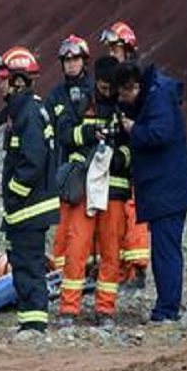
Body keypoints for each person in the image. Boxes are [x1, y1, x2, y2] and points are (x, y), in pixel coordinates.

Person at [113, 59, 187, 323]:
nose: (122, 99)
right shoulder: (153, 94)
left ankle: (167, 310)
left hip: (167, 191)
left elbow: (159, 133)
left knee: (166, 252)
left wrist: (133, 128)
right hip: (164, 189)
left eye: (123, 93)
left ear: (133, 87)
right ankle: (166, 306)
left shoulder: (158, 96)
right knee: (165, 251)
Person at [56, 54, 131, 325]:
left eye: (111, 87)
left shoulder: (125, 106)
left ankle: (105, 310)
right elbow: (63, 133)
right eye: (102, 86)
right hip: (84, 188)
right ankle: (68, 309)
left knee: (111, 251)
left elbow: (133, 144)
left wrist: (120, 157)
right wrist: (88, 136)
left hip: (114, 189)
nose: (107, 92)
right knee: (76, 248)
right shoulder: (81, 101)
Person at [0, 47, 59, 332]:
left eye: (3, 78)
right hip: (25, 209)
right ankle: (29, 321)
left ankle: (35, 324)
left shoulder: (28, 113)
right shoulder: (23, 111)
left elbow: (33, 160)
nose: (0, 84)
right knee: (22, 263)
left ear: (18, 81)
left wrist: (13, 192)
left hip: (30, 207)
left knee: (30, 265)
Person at [100, 21, 151, 289]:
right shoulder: (114, 76)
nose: (111, 52)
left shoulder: (135, 79)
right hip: (121, 152)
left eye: (115, 47)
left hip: (136, 154)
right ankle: (123, 268)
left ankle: (139, 269)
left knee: (134, 212)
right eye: (109, 48)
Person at [45, 35, 92, 282]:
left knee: (91, 226)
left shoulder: (96, 91)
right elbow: (52, 136)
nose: (71, 64)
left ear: (84, 61)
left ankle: (90, 270)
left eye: (75, 59)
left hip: (94, 170)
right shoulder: (55, 97)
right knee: (63, 229)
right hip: (65, 174)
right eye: (67, 60)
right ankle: (62, 273)